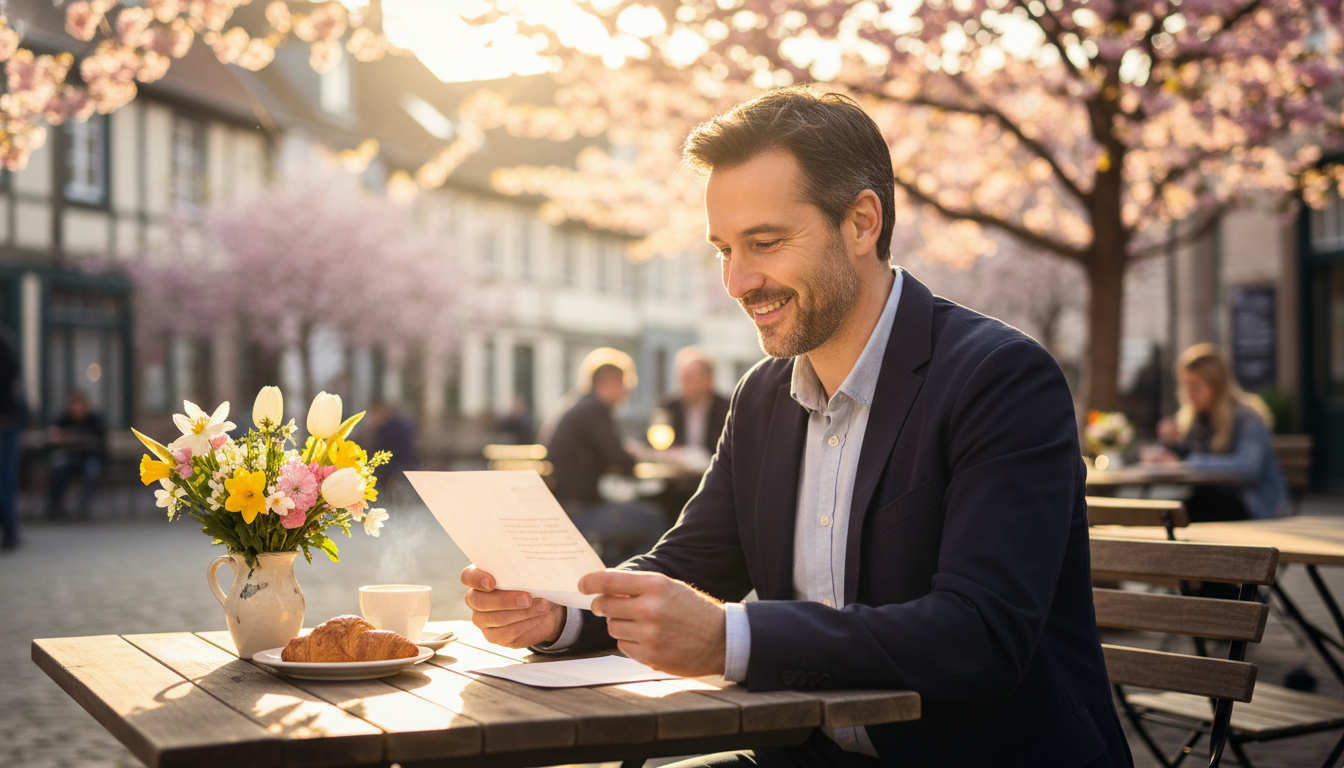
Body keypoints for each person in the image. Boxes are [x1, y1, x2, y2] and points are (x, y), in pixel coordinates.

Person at [463, 87, 1130, 767]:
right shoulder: (761, 396)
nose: (737, 280)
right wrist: (563, 614)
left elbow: (980, 637)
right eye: (723, 248)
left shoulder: (1000, 378)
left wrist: (732, 638)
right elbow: (691, 563)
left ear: (862, 223)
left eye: (765, 243)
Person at [544, 348, 668, 567]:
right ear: (611, 382)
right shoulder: (594, 410)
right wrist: (633, 454)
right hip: (578, 513)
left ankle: (608, 572)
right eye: (625, 386)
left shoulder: (576, 405)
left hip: (562, 507)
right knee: (656, 521)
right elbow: (622, 461)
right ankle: (618, 581)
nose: (626, 394)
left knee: (635, 515)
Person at [1148, 343, 1289, 522]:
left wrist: (1186, 462)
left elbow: (1247, 468)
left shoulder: (1246, 418)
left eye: (1195, 386)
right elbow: (1184, 456)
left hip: (1253, 505)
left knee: (1183, 515)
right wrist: (1167, 445)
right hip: (1214, 501)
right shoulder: (1195, 418)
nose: (1189, 394)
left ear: (1217, 386)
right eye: (1185, 386)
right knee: (1163, 512)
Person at [648, 346, 732, 523]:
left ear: (709, 379)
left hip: (715, 487)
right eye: (682, 378)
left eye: (690, 378)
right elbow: (654, 439)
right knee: (651, 513)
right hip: (674, 486)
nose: (684, 384)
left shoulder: (728, 409)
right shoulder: (670, 406)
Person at [46, 390, 106, 520]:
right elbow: (53, 431)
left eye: (78, 404)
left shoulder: (94, 419)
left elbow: (100, 440)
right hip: (71, 458)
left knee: (91, 471)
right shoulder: (64, 418)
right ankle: (55, 506)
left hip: (90, 457)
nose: (75, 408)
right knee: (58, 466)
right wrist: (55, 434)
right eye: (73, 405)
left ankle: (85, 507)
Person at [0, 324, 25, 550]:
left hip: (5, 421)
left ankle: (10, 531)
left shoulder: (4, 343)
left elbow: (9, 377)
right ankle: (10, 530)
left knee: (4, 479)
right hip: (9, 419)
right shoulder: (7, 340)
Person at [364, 400, 418, 506]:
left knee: (393, 497)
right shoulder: (396, 425)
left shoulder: (391, 428)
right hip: (398, 467)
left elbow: (383, 449)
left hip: (395, 468)